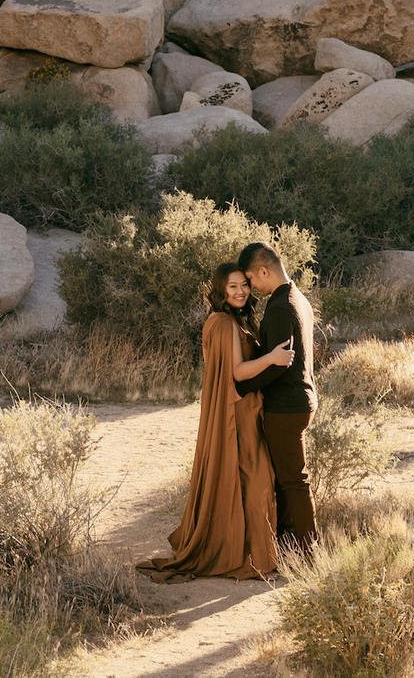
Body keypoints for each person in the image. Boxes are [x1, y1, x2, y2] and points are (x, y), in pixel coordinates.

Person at [141, 264, 291, 580]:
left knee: (250, 479)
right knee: (256, 478)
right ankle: (253, 558)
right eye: (232, 286)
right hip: (235, 414)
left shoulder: (231, 320)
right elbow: (236, 372)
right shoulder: (223, 323)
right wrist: (272, 358)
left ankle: (249, 550)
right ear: (221, 290)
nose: (240, 291)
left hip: (243, 410)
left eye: (244, 285)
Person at [234, 241, 317, 555]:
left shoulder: (282, 307)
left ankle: (310, 552)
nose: (251, 288)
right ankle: (290, 545)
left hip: (286, 406)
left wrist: (241, 388)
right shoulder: (298, 298)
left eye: (252, 280)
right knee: (286, 479)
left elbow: (280, 364)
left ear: (264, 271)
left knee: (293, 481)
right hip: (300, 400)